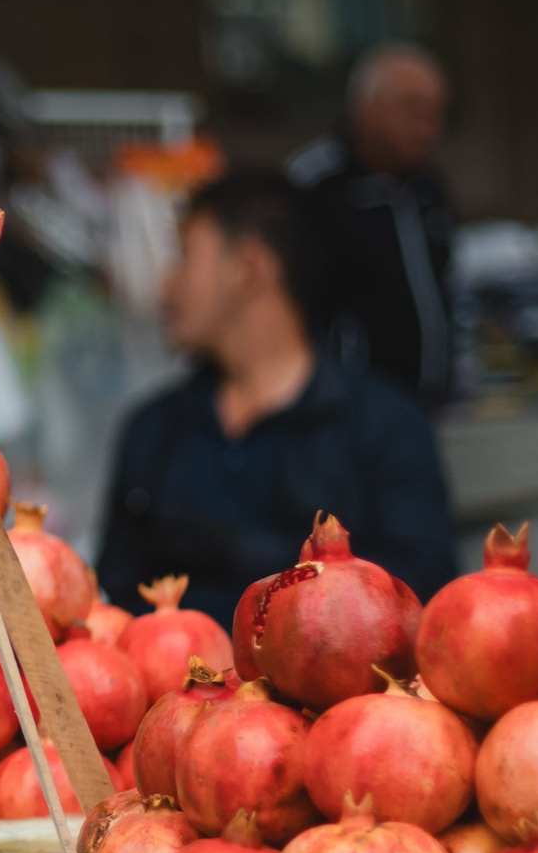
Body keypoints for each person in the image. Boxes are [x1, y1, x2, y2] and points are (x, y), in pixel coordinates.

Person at [96, 174, 456, 630]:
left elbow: (422, 587)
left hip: (334, 695)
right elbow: (112, 599)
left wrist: (245, 550)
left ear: (249, 267)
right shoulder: (153, 428)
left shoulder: (385, 424)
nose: (167, 286)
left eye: (185, 255)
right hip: (169, 694)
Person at [285, 43, 458, 406]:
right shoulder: (313, 186)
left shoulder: (427, 188)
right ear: (365, 107)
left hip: (427, 404)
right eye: (413, 110)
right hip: (346, 412)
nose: (428, 129)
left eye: (437, 114)